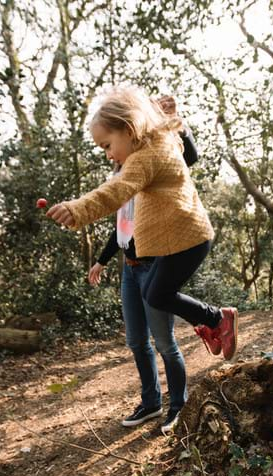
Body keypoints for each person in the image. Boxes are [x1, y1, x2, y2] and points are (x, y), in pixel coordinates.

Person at [47, 85, 238, 365]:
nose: (108, 155)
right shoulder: (155, 144)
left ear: (127, 128)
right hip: (177, 242)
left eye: (107, 145)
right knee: (153, 294)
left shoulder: (147, 154)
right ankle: (211, 322)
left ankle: (217, 319)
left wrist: (77, 209)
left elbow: (116, 190)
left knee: (158, 294)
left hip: (188, 240)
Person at [88, 96, 199, 434]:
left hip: (156, 264)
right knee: (137, 341)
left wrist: (176, 119)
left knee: (164, 342)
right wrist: (102, 260)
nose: (110, 153)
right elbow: (121, 224)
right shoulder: (121, 170)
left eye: (110, 144)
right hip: (129, 267)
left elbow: (190, 156)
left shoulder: (157, 159)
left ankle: (178, 404)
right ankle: (151, 402)